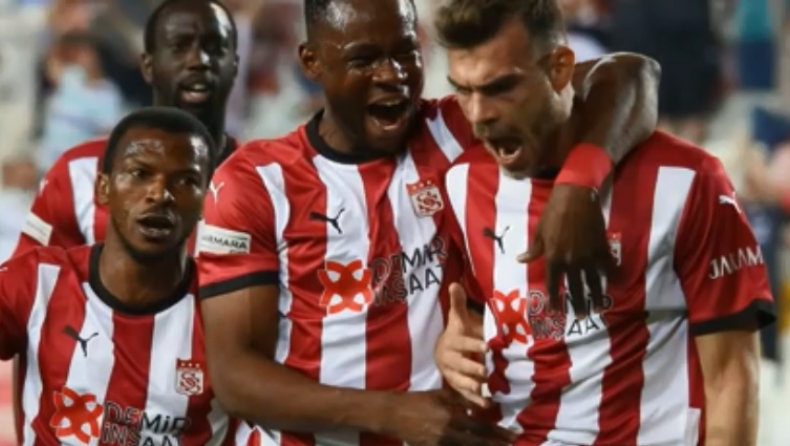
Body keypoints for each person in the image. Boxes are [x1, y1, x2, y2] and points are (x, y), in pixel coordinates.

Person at [195, 0, 660, 444]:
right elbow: (236, 377)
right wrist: (392, 413)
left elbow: (634, 74)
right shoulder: (255, 182)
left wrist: (579, 185)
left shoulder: (463, 128)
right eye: (364, 59)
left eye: (405, 52)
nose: (392, 75)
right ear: (311, 62)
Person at [433, 1, 775, 445]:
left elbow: (731, 378)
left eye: (501, 87)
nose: (479, 114)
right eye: (463, 90)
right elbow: (484, 318)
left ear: (560, 70)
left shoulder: (684, 180)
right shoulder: (463, 182)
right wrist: (453, 345)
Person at [2, 107, 235, 444]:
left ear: (206, 201)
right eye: (140, 173)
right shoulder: (37, 281)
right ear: (103, 189)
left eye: (186, 180)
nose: (160, 194)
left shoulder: (228, 311)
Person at [14, 0, 239, 253]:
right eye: (178, 48)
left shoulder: (262, 178)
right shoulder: (77, 172)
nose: (198, 61)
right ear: (148, 66)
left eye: (214, 48)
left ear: (235, 65)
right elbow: (30, 273)